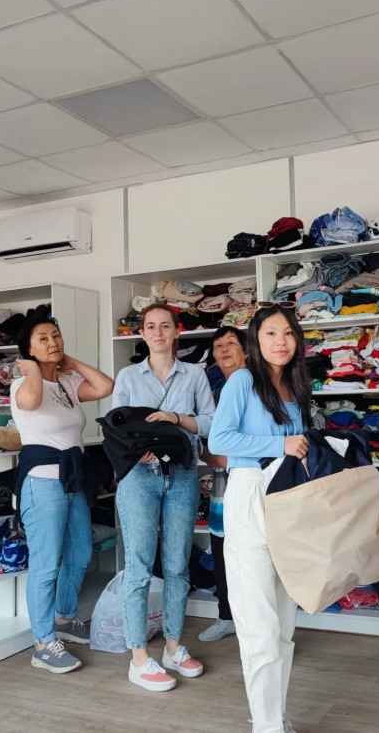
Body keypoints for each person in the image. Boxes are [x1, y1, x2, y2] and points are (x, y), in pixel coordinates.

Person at [208, 305, 312, 733]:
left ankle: (275, 718)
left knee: (284, 625)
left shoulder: (295, 385)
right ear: (256, 339)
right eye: (271, 333)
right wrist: (279, 444)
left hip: (287, 498)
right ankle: (267, 727)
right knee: (260, 626)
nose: (280, 341)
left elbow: (299, 446)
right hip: (250, 492)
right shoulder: (242, 380)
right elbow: (220, 439)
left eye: (287, 333)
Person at [111, 303, 215, 692]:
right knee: (138, 567)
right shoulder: (128, 376)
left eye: (165, 326)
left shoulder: (195, 374)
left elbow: (210, 422)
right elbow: (116, 425)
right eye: (151, 326)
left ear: (176, 331)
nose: (158, 332)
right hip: (140, 477)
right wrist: (137, 451)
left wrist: (175, 419)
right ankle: (138, 658)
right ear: (142, 333)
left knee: (177, 566)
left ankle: (173, 646)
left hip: (182, 475)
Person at [11, 314, 114, 674]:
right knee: (45, 565)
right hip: (42, 483)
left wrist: (72, 363)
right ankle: (42, 644)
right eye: (43, 338)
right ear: (28, 349)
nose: (53, 342)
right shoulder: (22, 384)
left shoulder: (68, 383)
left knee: (81, 553)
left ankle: (65, 619)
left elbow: (104, 386)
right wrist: (33, 369)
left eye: (56, 335)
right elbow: (32, 400)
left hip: (72, 480)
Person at [198, 327, 247, 643]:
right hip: (221, 487)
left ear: (246, 350)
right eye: (218, 346)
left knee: (256, 555)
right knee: (222, 552)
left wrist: (227, 452)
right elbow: (207, 447)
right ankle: (227, 617)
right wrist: (213, 453)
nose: (225, 349)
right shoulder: (213, 395)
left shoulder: (258, 388)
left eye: (231, 343)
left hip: (254, 483)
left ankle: (261, 624)